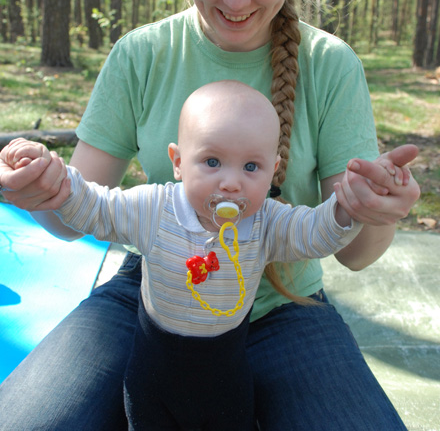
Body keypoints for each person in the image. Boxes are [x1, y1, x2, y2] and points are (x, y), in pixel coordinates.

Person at [0, 0, 420, 431]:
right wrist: (42, 189)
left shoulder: (330, 65)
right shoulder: (141, 55)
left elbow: (353, 251)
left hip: (286, 308)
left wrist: (372, 210)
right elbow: (76, 215)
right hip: (153, 294)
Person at [1, 80, 396, 429]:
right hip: (153, 371)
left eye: (251, 167)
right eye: (212, 162)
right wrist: (55, 179)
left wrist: (348, 207)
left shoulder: (267, 222)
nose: (231, 182)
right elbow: (96, 207)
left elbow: (313, 233)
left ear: (274, 170)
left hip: (225, 374)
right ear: (177, 162)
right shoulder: (154, 209)